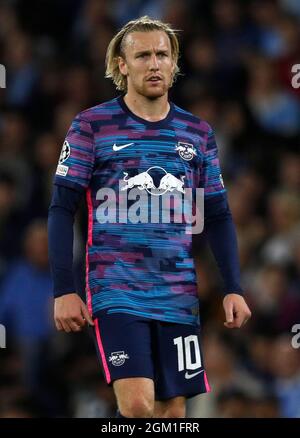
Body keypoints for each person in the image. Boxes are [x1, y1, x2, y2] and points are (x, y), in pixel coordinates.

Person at [48, 16, 251, 418]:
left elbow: (218, 215)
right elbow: (61, 207)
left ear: (174, 62)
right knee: (139, 406)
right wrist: (63, 289)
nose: (154, 63)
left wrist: (233, 286)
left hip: (178, 294)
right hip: (117, 290)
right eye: (142, 55)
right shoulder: (93, 125)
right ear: (122, 65)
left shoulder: (197, 132)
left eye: (162, 54)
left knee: (172, 413)